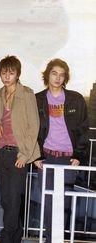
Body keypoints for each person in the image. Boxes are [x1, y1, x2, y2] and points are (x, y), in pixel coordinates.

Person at [34, 58, 89, 243]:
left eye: (62, 75)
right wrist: (36, 156)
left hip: (67, 160)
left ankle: (58, 240)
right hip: (47, 157)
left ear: (65, 77)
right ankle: (51, 240)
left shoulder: (75, 99)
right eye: (54, 73)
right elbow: (31, 130)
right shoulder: (38, 99)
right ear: (47, 75)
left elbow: (83, 129)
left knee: (64, 204)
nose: (58, 78)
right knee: (49, 204)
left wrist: (78, 155)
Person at [0, 55, 40, 243]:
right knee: (6, 200)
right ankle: (16, 237)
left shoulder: (27, 94)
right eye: (4, 73)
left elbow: (33, 126)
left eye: (11, 73)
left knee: (13, 200)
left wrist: (25, 154)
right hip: (2, 152)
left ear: (17, 74)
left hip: (19, 154)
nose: (7, 76)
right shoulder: (0, 95)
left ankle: (6, 238)